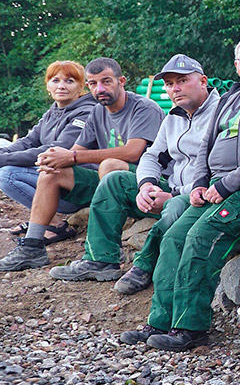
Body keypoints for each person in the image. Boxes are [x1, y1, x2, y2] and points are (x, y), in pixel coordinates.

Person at [118, 35, 240, 351]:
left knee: (200, 238)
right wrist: (200, 184)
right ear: (236, 65)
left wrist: (225, 185)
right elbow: (206, 145)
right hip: (215, 189)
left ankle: (190, 328)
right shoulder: (231, 99)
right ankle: (160, 321)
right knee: (173, 238)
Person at [50, 58, 218, 287]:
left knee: (173, 206)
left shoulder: (222, 114)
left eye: (182, 81)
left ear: (202, 81)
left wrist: (173, 195)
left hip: (200, 195)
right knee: (114, 180)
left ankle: (144, 266)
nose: (174, 88)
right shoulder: (174, 117)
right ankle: (101, 259)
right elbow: (152, 156)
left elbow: (219, 169)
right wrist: (146, 185)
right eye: (169, 84)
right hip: (172, 187)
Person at [0, 58, 163, 270]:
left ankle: (106, 252)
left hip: (146, 184)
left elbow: (132, 152)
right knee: (53, 171)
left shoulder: (143, 107)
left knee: (110, 166)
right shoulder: (97, 111)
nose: (100, 88)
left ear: (121, 81)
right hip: (106, 185)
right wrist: (55, 158)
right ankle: (32, 247)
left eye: (106, 81)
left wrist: (72, 157)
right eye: (94, 83)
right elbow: (75, 151)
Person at [0, 61, 98, 265]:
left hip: (75, 186)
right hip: (52, 178)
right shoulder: (54, 111)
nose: (61, 86)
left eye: (69, 81)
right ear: (48, 86)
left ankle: (55, 225)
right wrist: (3, 152)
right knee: (8, 168)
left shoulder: (87, 111)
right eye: (56, 80)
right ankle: (49, 222)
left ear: (81, 87)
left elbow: (54, 150)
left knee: (7, 174)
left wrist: (3, 159)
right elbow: (28, 141)